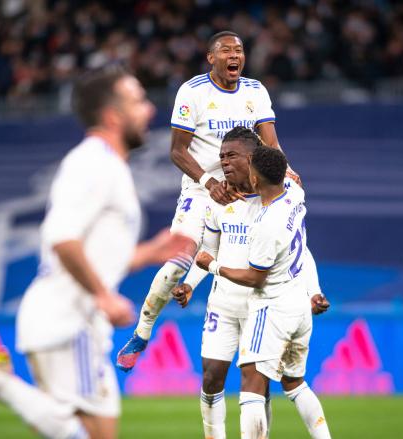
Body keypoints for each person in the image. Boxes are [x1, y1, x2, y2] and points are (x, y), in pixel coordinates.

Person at [0, 67, 192, 439]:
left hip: (71, 321)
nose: (149, 110)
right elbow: (63, 239)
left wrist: (150, 253)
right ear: (113, 115)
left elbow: (96, 256)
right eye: (138, 101)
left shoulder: (106, 165)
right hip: (70, 321)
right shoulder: (94, 164)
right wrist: (103, 296)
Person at [117, 30, 300, 371]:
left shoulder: (255, 91)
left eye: (240, 50)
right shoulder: (193, 92)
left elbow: (271, 142)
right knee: (176, 263)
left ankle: (273, 332)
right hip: (202, 190)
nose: (235, 55)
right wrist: (208, 180)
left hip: (247, 190)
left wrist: (286, 169)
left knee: (242, 259)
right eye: (226, 50)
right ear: (211, 57)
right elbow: (177, 150)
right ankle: (142, 333)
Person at [171, 127, 329, 439]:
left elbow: (301, 249)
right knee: (212, 376)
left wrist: (314, 289)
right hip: (225, 303)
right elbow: (209, 252)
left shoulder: (275, 198)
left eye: (231, 156)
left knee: (257, 383)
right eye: (220, 157)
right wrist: (190, 283)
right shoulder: (218, 201)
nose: (224, 163)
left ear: (252, 160)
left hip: (261, 304)